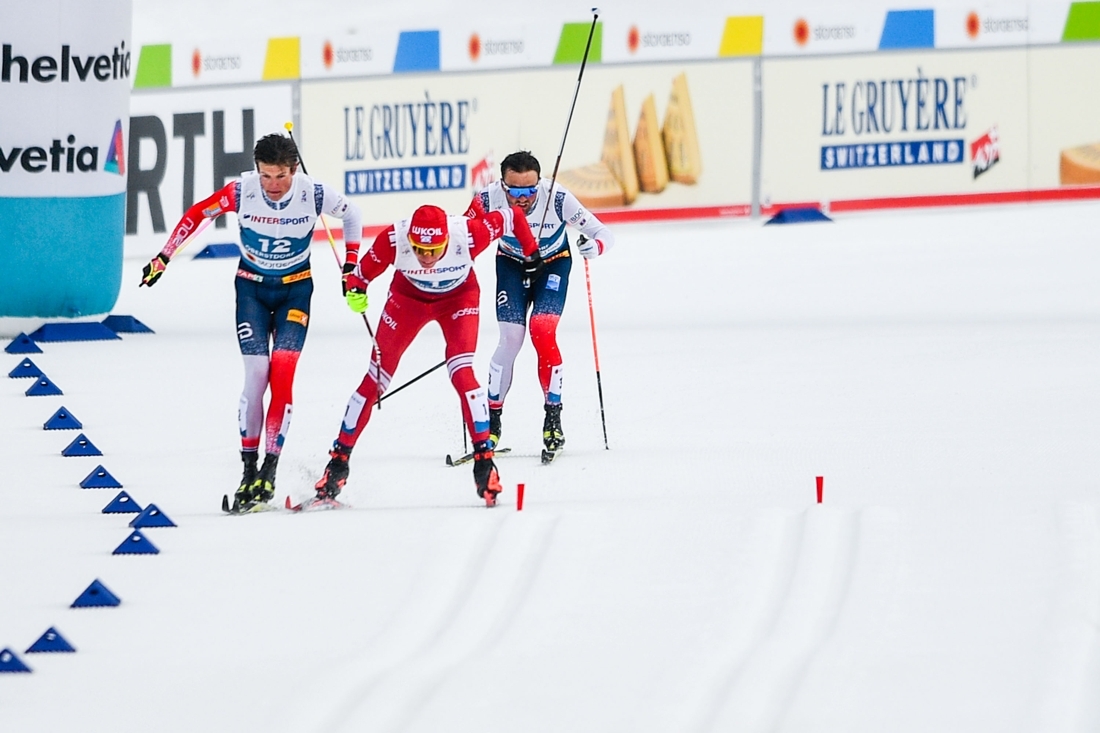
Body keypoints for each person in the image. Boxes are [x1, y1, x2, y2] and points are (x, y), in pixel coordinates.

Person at [140, 132, 362, 510]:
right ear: (257, 170)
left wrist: (352, 265)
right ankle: (248, 471)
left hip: (295, 291)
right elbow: (198, 214)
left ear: (294, 169)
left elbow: (352, 214)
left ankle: (269, 471)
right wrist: (164, 255)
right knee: (256, 377)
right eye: (266, 176)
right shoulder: (241, 192)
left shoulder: (315, 193)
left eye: (281, 176)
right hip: (251, 292)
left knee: (283, 373)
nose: (273, 186)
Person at [313, 202, 539, 507]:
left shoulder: (469, 234)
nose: (427, 257)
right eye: (419, 249)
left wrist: (532, 253)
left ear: (447, 238)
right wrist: (355, 289)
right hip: (408, 299)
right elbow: (361, 276)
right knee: (375, 379)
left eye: (434, 250)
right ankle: (337, 464)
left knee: (462, 374)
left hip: (458, 298)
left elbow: (513, 216)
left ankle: (485, 463)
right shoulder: (395, 238)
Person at [467, 150, 614, 458]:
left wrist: (594, 247)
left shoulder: (557, 198)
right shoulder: (487, 199)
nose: (522, 198)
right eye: (515, 191)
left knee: (542, 330)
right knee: (510, 339)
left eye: (529, 191)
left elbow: (602, 233)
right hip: (511, 263)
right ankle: (491, 423)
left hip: (552, 264)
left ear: (540, 184)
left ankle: (553, 419)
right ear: (502, 185)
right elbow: (463, 236)